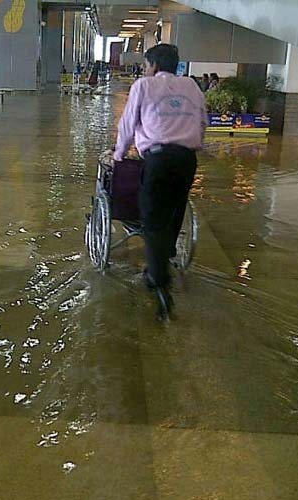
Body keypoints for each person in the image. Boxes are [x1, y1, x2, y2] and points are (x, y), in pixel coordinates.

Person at [113, 44, 207, 319]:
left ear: (152, 65)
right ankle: (163, 259)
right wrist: (195, 144)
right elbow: (202, 122)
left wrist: (119, 155)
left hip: (157, 159)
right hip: (186, 160)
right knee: (174, 212)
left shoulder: (144, 85)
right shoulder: (191, 86)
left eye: (145, 65)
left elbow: (128, 124)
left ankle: (158, 278)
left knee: (152, 219)